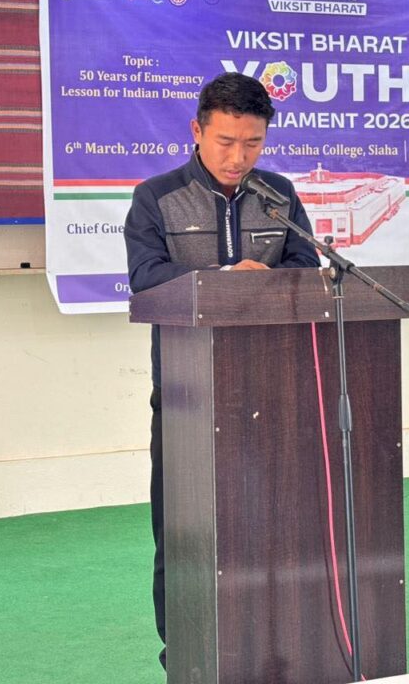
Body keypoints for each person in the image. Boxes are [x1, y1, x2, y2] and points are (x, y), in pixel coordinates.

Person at [123, 72, 320, 669]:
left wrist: (274, 279)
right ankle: (181, 652)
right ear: (197, 131)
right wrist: (224, 280)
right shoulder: (156, 197)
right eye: (226, 142)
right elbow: (146, 278)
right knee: (183, 528)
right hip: (188, 393)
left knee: (272, 522)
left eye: (252, 143)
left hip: (273, 387)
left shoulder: (278, 195)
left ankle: (272, 644)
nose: (238, 157)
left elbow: (306, 268)